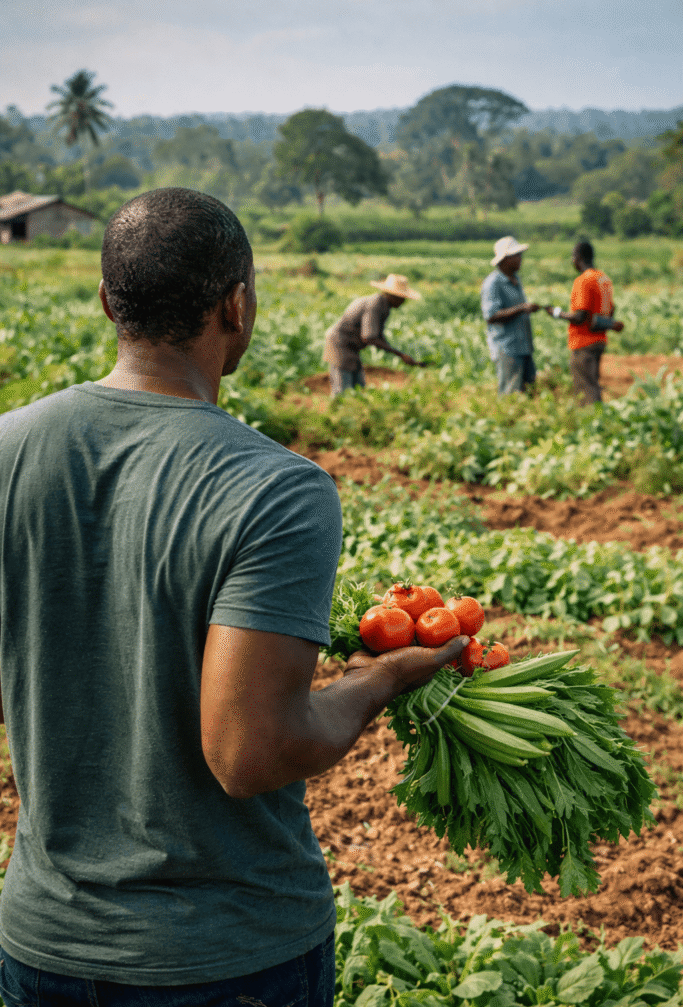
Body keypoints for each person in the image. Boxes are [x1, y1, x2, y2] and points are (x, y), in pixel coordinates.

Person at [0, 187, 468, 1007]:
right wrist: (378, 680)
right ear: (236, 306)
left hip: (42, 948)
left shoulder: (8, 447)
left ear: (108, 301)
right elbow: (251, 752)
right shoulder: (274, 488)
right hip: (223, 956)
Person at [544, 241, 624, 404]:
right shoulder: (603, 279)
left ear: (578, 257)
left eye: (573, 257)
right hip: (599, 340)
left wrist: (557, 313)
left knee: (586, 389)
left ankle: (593, 417)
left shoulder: (584, 280)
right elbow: (611, 310)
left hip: (583, 342)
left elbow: (580, 317)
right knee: (593, 383)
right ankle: (597, 415)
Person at [323, 273, 422, 396]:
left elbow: (378, 336)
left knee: (359, 387)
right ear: (392, 296)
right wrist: (400, 354)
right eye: (401, 297)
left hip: (351, 347)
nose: (403, 301)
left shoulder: (383, 306)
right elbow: (369, 337)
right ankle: (338, 408)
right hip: (340, 344)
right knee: (342, 390)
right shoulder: (375, 305)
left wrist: (401, 355)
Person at [480, 236, 541, 395]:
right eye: (517, 255)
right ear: (506, 259)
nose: (521, 259)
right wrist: (522, 308)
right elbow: (491, 315)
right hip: (507, 348)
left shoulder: (515, 279)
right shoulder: (493, 283)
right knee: (511, 394)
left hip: (524, 346)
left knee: (530, 391)